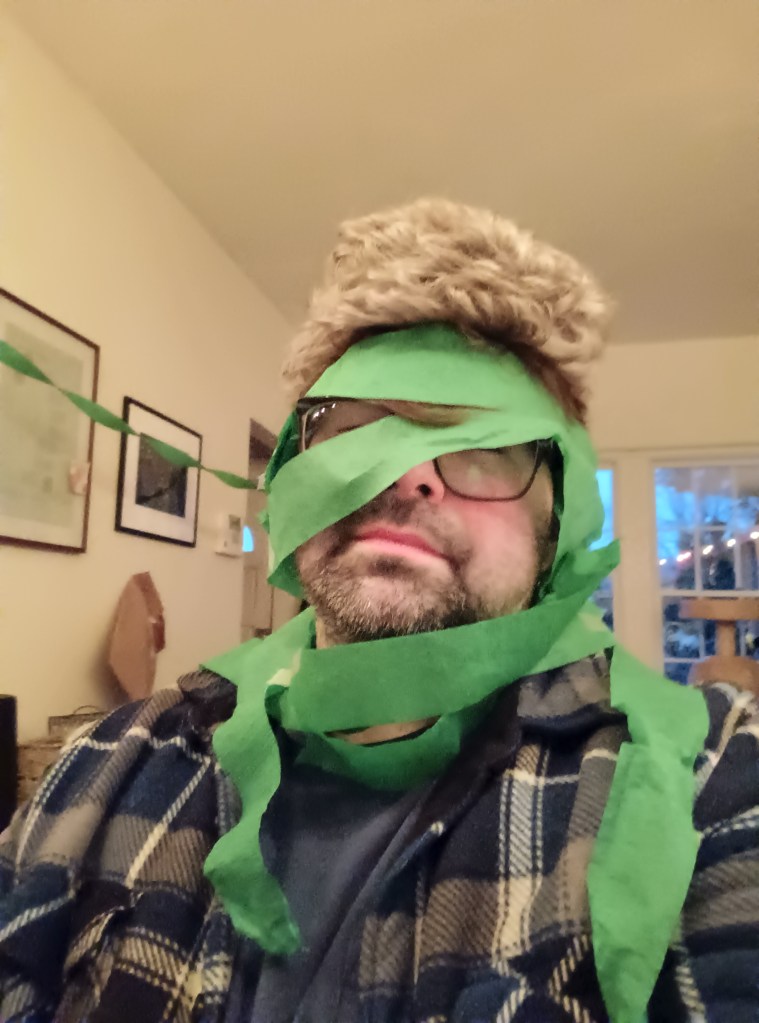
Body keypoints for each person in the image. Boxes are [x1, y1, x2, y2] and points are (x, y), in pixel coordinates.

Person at [1, 199, 757, 1023]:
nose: (410, 476)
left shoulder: (712, 785)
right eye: (360, 431)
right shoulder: (103, 766)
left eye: (482, 446)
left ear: (560, 524)